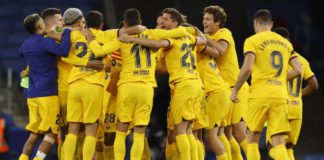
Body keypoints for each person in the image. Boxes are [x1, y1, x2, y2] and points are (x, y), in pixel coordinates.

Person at [118, 8, 207, 160]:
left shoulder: (171, 40)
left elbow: (156, 43)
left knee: (180, 132)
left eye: (165, 20)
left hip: (183, 85)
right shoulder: (189, 36)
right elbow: (203, 40)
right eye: (160, 21)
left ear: (175, 23)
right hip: (195, 85)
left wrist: (133, 39)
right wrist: (196, 29)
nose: (162, 23)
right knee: (189, 131)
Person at [230, 9, 302, 160]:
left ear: (255, 23)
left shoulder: (252, 40)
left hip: (259, 95)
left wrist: (235, 89)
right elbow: (298, 69)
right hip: (280, 96)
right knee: (279, 142)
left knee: (252, 140)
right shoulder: (285, 43)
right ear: (271, 24)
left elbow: (248, 67)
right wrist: (280, 79)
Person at [18, 13, 71, 160]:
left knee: (34, 133)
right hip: (47, 93)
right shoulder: (43, 42)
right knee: (51, 133)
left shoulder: (26, 44)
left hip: (32, 94)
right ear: (41, 26)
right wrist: (65, 32)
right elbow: (64, 51)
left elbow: (22, 52)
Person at [202, 5, 248, 159]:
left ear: (218, 22)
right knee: (227, 133)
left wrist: (203, 39)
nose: (204, 22)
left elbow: (221, 50)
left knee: (239, 132)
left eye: (208, 19)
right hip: (222, 90)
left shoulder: (224, 33)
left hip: (236, 87)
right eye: (204, 19)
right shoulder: (208, 37)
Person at [266, 27, 319, 160]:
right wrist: (299, 94)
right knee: (289, 147)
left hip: (280, 107)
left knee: (272, 147)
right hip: (296, 108)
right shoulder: (301, 60)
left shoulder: (274, 60)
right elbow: (314, 85)